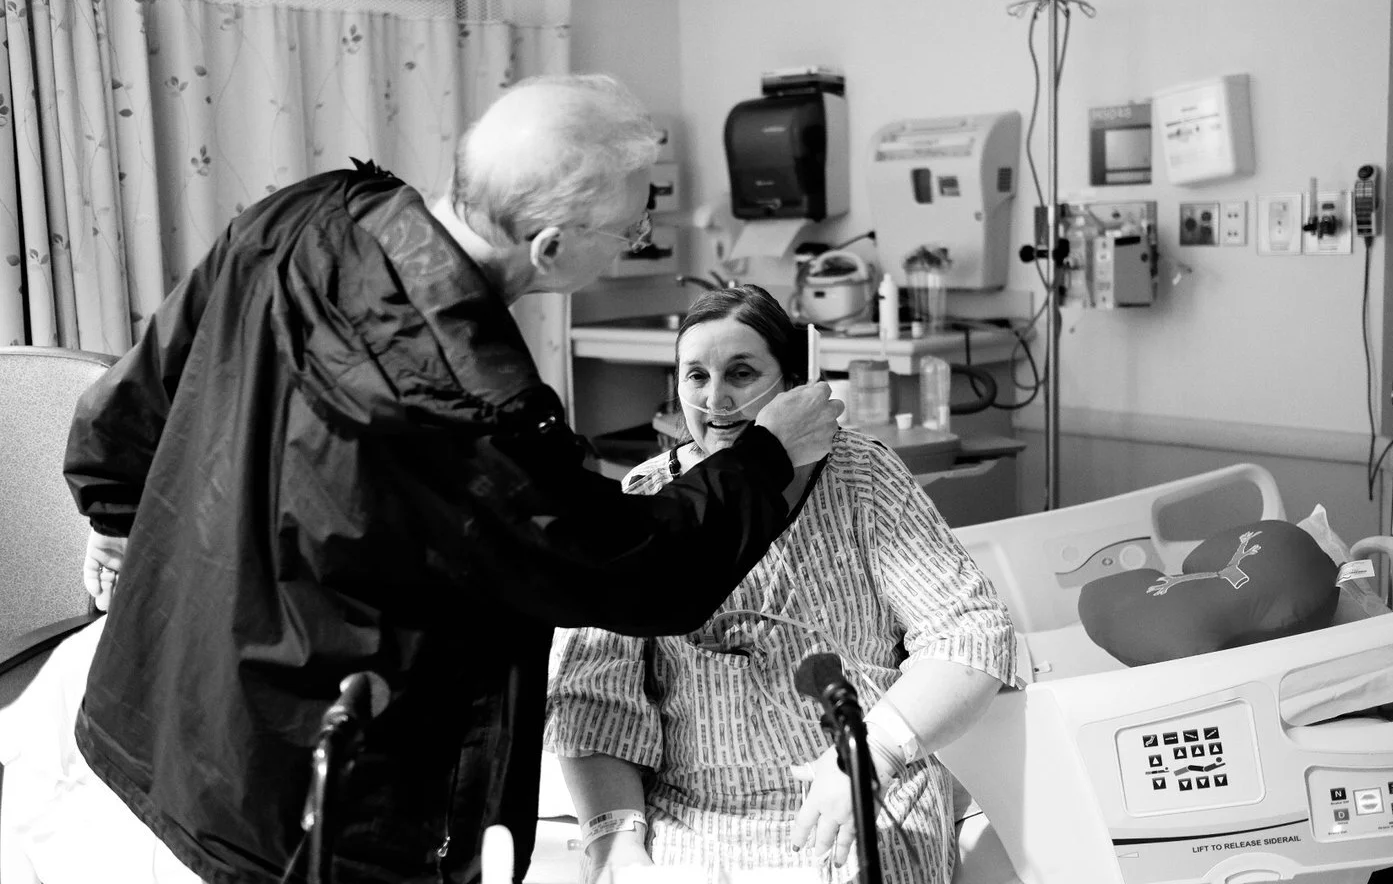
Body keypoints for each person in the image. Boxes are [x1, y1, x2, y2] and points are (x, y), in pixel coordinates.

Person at [3, 74, 843, 884]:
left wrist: (112, 514)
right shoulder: (474, 405)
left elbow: (132, 397)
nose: (636, 237)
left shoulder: (307, 213)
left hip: (164, 704)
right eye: (629, 230)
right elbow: (637, 568)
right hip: (307, 782)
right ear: (551, 249)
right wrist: (767, 455)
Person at [545, 285, 1015, 884]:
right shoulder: (648, 497)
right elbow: (592, 700)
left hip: (863, 804)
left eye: (741, 373)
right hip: (696, 818)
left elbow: (970, 632)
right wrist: (614, 843)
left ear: (792, 384)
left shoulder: (862, 477)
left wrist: (873, 750)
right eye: (696, 376)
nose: (716, 398)